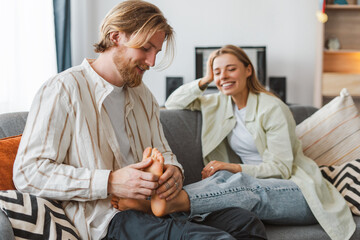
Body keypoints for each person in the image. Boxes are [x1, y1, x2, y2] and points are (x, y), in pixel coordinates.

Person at [12, 1, 267, 239]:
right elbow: (28, 173)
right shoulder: (63, 89)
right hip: (109, 218)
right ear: (116, 36)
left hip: (156, 208)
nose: (152, 61)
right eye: (145, 48)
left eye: (156, 51)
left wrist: (174, 172)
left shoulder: (143, 95)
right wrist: (110, 181)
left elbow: (165, 153)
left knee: (246, 222)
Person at [161, 45, 355, 240]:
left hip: (299, 191)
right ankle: (164, 199)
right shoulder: (217, 104)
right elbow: (173, 103)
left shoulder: (271, 108)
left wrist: (233, 167)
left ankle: (170, 202)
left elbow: (281, 168)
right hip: (251, 186)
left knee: (238, 181)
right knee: (222, 179)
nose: (224, 76)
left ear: (248, 70)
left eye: (231, 69)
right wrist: (206, 79)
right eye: (218, 72)